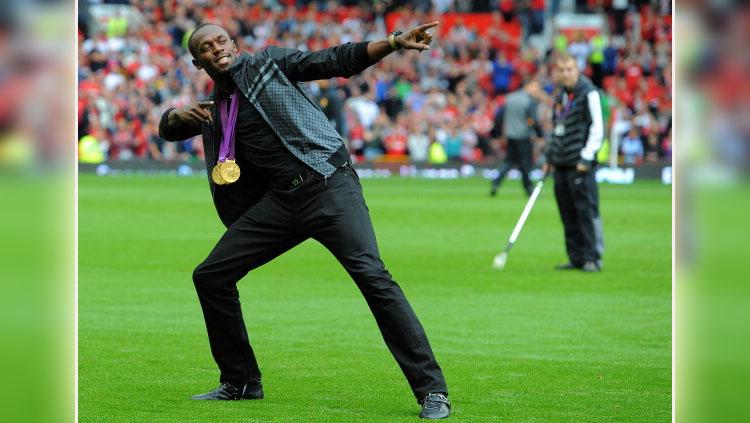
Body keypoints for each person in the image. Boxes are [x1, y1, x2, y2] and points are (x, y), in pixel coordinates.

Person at [158, 22, 451, 419]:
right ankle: (241, 381)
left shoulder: (267, 64)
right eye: (207, 48)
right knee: (210, 276)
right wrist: (176, 116)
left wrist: (394, 43)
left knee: (373, 278)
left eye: (221, 41)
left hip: (328, 185)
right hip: (281, 203)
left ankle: (432, 391)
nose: (217, 49)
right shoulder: (217, 108)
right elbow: (169, 130)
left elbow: (332, 60)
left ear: (233, 44)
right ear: (198, 62)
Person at [544, 53, 605, 272]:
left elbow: (598, 128)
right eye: (561, 70)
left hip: (580, 163)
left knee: (586, 211)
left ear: (577, 70)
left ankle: (592, 257)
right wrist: (549, 157)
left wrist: (586, 157)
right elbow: (556, 129)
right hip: (560, 163)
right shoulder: (561, 96)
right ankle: (575, 257)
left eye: (569, 69)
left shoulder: (589, 93)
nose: (566, 74)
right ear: (557, 73)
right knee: (567, 213)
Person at [489, 80, 543, 197]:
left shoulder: (509, 98)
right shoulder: (529, 101)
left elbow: (499, 117)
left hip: (510, 135)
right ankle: (528, 187)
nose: (537, 91)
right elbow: (532, 120)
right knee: (525, 163)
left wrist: (497, 133)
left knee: (508, 161)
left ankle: (495, 183)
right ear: (528, 86)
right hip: (523, 136)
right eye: (535, 88)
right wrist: (539, 135)